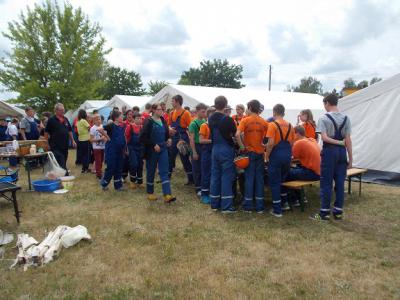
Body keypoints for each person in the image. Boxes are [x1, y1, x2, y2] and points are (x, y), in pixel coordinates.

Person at [310, 94, 352, 221]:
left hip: (330, 151)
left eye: (324, 104)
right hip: (342, 153)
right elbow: (348, 140)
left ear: (327, 103)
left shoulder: (323, 118)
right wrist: (351, 158)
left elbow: (324, 138)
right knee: (340, 183)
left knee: (326, 183)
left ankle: (324, 213)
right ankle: (338, 212)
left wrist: (338, 142)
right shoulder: (346, 118)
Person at [236, 99, 269, 213]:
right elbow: (270, 136)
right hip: (260, 153)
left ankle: (248, 206)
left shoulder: (245, 120)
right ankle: (260, 206)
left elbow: (237, 135)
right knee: (259, 179)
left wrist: (242, 147)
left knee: (249, 178)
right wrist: (264, 145)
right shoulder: (264, 121)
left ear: (250, 108)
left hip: (249, 153)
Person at [141, 103, 176, 203]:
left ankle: (167, 195)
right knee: (151, 170)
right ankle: (150, 193)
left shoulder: (163, 120)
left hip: (163, 148)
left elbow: (166, 133)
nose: (161, 111)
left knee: (164, 171)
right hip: (152, 151)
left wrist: (168, 138)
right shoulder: (148, 121)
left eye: (162, 109)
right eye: (159, 109)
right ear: (153, 110)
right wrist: (153, 145)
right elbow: (143, 137)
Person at [265, 104, 295, 217]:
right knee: (283, 180)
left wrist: (266, 156)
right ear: (284, 113)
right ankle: (285, 203)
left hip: (276, 156)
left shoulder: (272, 125)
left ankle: (277, 210)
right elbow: (292, 143)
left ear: (274, 112)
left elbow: (271, 143)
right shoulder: (291, 126)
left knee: (274, 182)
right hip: (287, 155)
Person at [209, 96, 237, 213]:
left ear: (215, 105)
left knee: (215, 175)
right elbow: (234, 135)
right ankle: (226, 206)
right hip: (226, 149)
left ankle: (215, 204)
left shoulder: (210, 118)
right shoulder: (228, 119)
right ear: (225, 105)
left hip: (215, 148)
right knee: (226, 176)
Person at [282, 125, 320, 207]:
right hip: (319, 172)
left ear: (297, 134)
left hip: (312, 173)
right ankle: (301, 198)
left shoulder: (299, 143)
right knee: (292, 171)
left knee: (284, 174)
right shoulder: (312, 140)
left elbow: (289, 158)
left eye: (293, 134)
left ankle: (292, 200)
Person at [168, 95, 194, 184]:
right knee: (170, 156)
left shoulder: (186, 113)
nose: (171, 102)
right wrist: (169, 129)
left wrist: (191, 140)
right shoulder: (171, 113)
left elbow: (190, 127)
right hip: (173, 137)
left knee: (184, 158)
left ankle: (191, 179)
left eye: (172, 101)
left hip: (182, 137)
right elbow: (168, 125)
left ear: (178, 102)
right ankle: (167, 177)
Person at [98, 110, 126, 191]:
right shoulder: (111, 125)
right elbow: (100, 129)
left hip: (120, 151)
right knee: (111, 167)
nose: (122, 117)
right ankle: (104, 184)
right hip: (112, 150)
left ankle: (118, 186)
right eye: (121, 116)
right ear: (116, 118)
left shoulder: (121, 126)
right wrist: (107, 136)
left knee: (119, 168)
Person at [45, 103, 76, 174]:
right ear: (56, 110)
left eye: (64, 109)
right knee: (60, 161)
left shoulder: (65, 119)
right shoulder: (51, 120)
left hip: (65, 145)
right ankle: (65, 176)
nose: (63, 111)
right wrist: (46, 143)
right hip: (55, 145)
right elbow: (46, 132)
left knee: (64, 160)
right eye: (61, 110)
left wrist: (73, 140)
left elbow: (69, 130)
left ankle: (58, 174)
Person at [188, 103, 208, 196]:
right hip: (196, 146)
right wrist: (194, 152)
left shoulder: (205, 121)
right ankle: (198, 188)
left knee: (203, 167)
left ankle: (204, 186)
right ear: (197, 112)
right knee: (197, 168)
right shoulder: (193, 123)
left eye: (205, 111)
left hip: (203, 146)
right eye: (203, 112)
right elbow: (191, 139)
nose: (204, 113)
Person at [199, 107, 215, 204]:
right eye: (213, 114)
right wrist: (212, 141)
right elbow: (201, 140)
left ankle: (212, 193)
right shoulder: (204, 126)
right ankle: (204, 194)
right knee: (206, 173)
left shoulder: (216, 126)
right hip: (206, 152)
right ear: (208, 115)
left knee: (213, 173)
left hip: (214, 152)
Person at [125, 112, 144, 189]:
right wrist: (126, 149)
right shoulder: (130, 127)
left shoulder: (142, 127)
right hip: (132, 148)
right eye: (137, 118)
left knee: (140, 165)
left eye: (140, 118)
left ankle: (140, 182)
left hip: (140, 148)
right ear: (133, 119)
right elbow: (125, 138)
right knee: (134, 164)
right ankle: (132, 181)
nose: (139, 120)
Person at [90, 114, 106, 179]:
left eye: (99, 119)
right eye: (96, 120)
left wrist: (105, 138)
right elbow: (91, 140)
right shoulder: (92, 128)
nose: (98, 121)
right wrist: (100, 139)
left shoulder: (103, 126)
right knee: (98, 161)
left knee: (101, 160)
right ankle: (99, 174)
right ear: (94, 121)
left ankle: (99, 171)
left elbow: (105, 135)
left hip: (103, 147)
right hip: (96, 148)